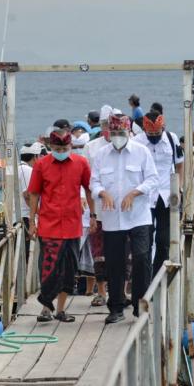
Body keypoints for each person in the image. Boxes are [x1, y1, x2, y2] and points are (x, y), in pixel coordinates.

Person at [91, 114, 158, 323]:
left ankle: (141, 306)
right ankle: (116, 307)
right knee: (114, 263)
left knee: (141, 258)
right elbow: (94, 182)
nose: (117, 137)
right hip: (112, 218)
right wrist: (103, 193)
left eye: (121, 133)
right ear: (108, 133)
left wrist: (134, 193)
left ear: (128, 132)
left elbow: (153, 179)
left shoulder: (141, 152)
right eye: (114, 133)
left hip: (138, 215)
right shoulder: (101, 155)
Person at [28, 129, 94, 323]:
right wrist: (32, 221)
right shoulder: (41, 165)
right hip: (49, 224)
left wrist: (93, 215)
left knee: (69, 268)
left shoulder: (81, 163)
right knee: (48, 268)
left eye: (64, 148)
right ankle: (45, 308)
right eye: (57, 148)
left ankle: (61, 309)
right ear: (51, 147)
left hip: (73, 224)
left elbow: (89, 190)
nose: (61, 151)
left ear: (71, 146)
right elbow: (33, 194)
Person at [135, 110, 184, 274]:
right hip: (145, 196)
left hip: (166, 195)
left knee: (164, 240)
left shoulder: (171, 139)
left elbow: (179, 164)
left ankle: (158, 273)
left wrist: (179, 187)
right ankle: (144, 274)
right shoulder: (137, 143)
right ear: (144, 129)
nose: (154, 136)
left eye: (157, 132)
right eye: (151, 133)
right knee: (145, 239)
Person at [81, 105, 115, 307]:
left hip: (122, 211)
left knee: (122, 252)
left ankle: (120, 291)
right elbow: (85, 180)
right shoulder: (91, 148)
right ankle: (101, 291)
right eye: (106, 126)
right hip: (97, 209)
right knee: (98, 251)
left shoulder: (132, 147)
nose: (109, 129)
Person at [18, 142, 46, 228]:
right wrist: (43, 215)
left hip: (16, 217)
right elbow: (27, 196)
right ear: (35, 157)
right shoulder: (28, 170)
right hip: (25, 217)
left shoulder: (17, 168)